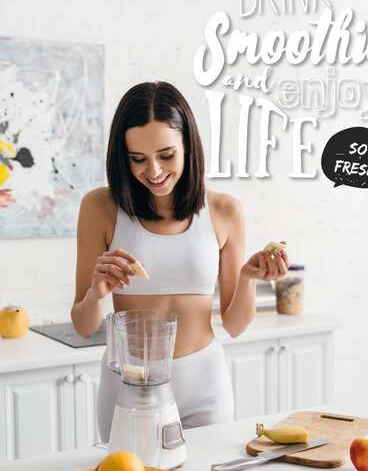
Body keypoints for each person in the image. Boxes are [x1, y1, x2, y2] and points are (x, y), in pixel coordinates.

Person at [71, 81, 289, 441]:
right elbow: (82, 325)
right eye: (137, 159)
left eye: (166, 155)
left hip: (205, 383)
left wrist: (249, 277)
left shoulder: (224, 211)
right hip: (128, 386)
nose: (154, 171)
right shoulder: (99, 208)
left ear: (189, 145)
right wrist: (97, 294)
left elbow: (234, 325)